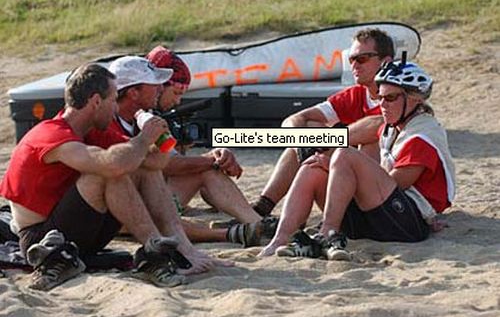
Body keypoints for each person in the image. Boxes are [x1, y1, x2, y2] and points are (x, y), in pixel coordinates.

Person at [0, 62, 229, 291]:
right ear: (96, 101)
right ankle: (155, 249)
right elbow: (112, 164)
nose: (115, 109)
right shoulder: (52, 133)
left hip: (79, 230)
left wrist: (160, 140)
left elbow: (155, 165)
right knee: (109, 173)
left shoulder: (95, 131)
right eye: (112, 101)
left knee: (138, 167)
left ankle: (181, 249)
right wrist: (143, 140)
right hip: (41, 238)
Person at [262, 60, 456, 259]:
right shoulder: (394, 125)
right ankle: (279, 240)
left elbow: (397, 184)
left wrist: (337, 165)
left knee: (344, 155)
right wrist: (324, 152)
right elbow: (367, 130)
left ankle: (327, 234)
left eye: (390, 98)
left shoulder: (422, 135)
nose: (382, 105)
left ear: (415, 99)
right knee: (312, 167)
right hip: (378, 217)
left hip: (407, 224)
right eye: (380, 98)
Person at [107, 53, 276, 246]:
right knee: (161, 211)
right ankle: (231, 233)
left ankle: (256, 223)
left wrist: (208, 158)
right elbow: (168, 166)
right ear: (133, 93)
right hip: (119, 210)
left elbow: (166, 161)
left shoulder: (141, 116)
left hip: (142, 198)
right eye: (155, 84)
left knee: (203, 171)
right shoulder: (108, 122)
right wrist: (212, 159)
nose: (160, 88)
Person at [252, 28, 395, 217]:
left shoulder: (399, 95)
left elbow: (381, 125)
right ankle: (261, 209)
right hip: (352, 181)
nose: (354, 65)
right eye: (351, 60)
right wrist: (299, 139)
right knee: (307, 130)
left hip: (387, 195)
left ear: (385, 62)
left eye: (362, 59)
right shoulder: (355, 95)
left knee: (361, 140)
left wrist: (323, 141)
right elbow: (295, 119)